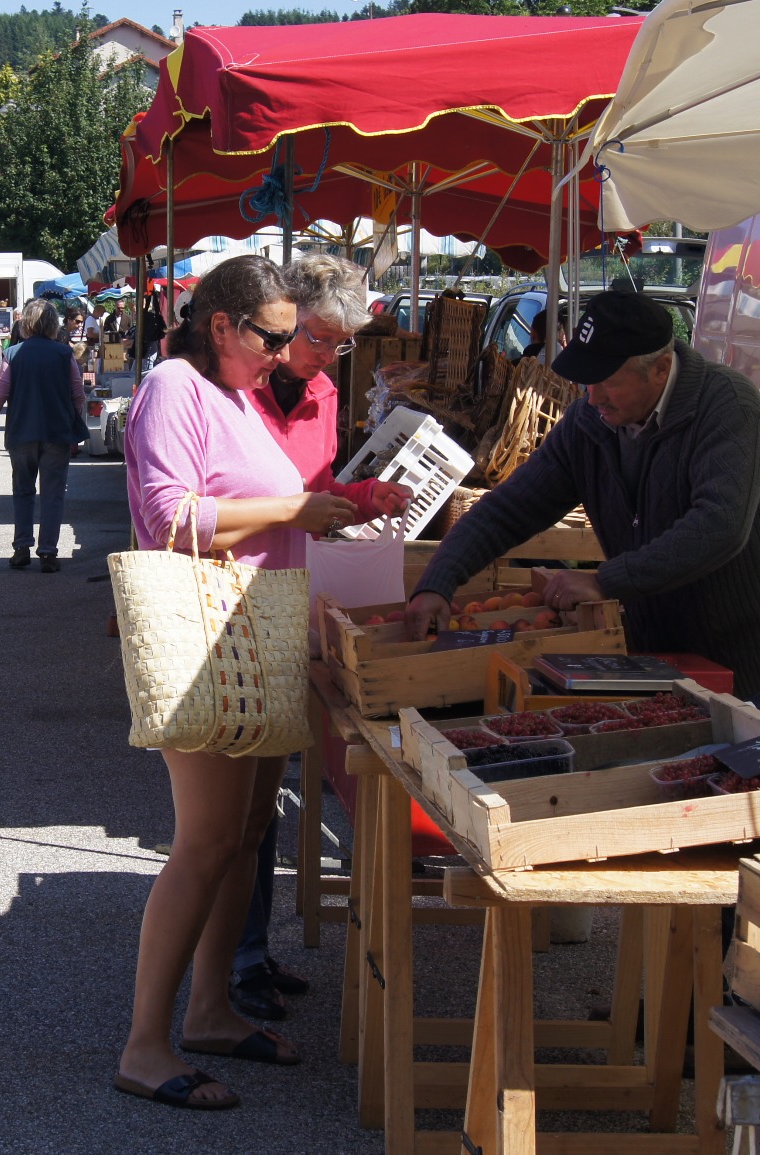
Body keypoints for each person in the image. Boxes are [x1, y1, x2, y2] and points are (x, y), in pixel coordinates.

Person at [115, 255, 361, 1111]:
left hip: (254, 639)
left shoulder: (227, 394)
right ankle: (145, 1044)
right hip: (210, 642)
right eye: (273, 336)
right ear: (221, 324)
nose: (283, 352)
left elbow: (266, 495)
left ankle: (211, 1007)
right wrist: (297, 512)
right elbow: (170, 514)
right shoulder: (174, 388)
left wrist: (332, 502)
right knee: (209, 840)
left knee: (249, 827)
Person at [404, 289, 760, 720]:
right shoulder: (589, 423)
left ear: (660, 368)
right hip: (656, 653)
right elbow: (510, 508)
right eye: (587, 379)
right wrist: (438, 581)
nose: (592, 396)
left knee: (735, 781)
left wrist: (607, 580)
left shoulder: (728, 405)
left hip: (743, 656)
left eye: (608, 381)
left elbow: (719, 526)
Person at [227, 253, 413, 1020]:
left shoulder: (326, 389)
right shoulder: (229, 388)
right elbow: (223, 497)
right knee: (234, 801)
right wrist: (298, 508)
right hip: (231, 601)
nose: (330, 354)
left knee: (267, 792)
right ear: (283, 317)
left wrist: (365, 495)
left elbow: (319, 486)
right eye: (320, 338)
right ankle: (229, 963)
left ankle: (250, 952)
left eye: (342, 342)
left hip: (294, 599)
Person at [0, 299, 88, 573]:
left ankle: (21, 547)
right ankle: (49, 552)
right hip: (56, 431)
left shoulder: (14, 353)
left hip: (21, 432)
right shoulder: (64, 354)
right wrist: (72, 418)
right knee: (53, 493)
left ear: (26, 323)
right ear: (54, 325)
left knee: (23, 490)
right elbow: (78, 394)